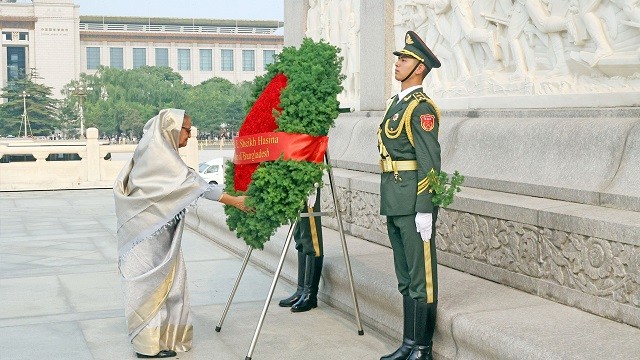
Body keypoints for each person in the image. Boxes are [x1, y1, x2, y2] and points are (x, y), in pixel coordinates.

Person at [114, 109, 247, 358]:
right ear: (171, 131)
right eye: (187, 130)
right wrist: (235, 201)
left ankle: (164, 339)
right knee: (151, 285)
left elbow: (190, 182)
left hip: (155, 233)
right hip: (147, 236)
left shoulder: (155, 152)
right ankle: (148, 345)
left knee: (170, 283)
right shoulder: (159, 157)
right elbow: (192, 184)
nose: (189, 135)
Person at [378, 31, 442, 360]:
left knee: (422, 279)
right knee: (405, 278)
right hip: (395, 199)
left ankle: (423, 349)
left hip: (413, 202)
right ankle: (408, 344)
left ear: (419, 68)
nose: (397, 63)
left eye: (403, 59)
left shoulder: (421, 108)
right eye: (398, 58)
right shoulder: (397, 104)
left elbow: (430, 161)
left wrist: (426, 208)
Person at [278, 187, 324, 312]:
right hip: (297, 175)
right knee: (300, 236)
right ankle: (301, 290)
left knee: (311, 238)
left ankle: (310, 295)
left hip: (309, 174)